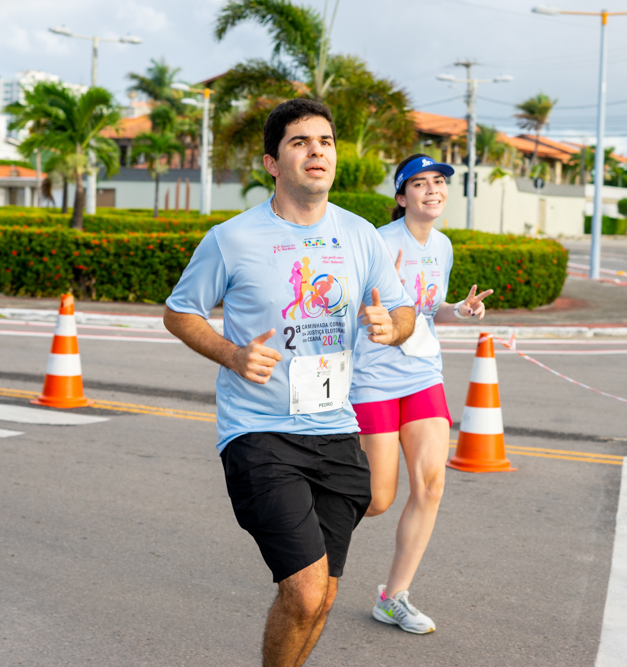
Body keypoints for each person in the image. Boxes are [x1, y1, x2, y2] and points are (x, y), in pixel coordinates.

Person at [163, 99, 415, 667]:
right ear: (273, 163)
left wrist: (389, 325)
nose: (316, 151)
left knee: (320, 597)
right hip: (260, 432)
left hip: (334, 428)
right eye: (300, 142)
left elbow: (401, 314)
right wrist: (231, 354)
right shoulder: (233, 238)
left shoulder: (360, 236)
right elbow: (180, 312)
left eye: (325, 141)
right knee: (303, 590)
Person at [350, 154, 493, 634]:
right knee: (376, 500)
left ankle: (394, 597)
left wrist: (461, 309)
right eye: (419, 184)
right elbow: (359, 311)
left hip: (423, 375)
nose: (432, 190)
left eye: (439, 182)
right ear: (401, 197)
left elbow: (428, 311)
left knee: (431, 485)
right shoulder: (377, 243)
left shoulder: (443, 246)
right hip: (373, 378)